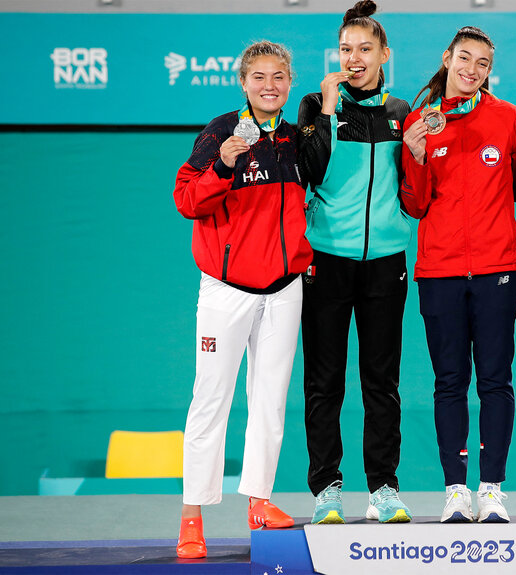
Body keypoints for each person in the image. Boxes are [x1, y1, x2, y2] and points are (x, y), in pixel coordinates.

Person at [172, 40, 312, 558]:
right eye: (259, 76)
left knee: (270, 401)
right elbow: (187, 199)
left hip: (283, 290)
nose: (269, 85)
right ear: (243, 81)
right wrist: (224, 166)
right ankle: (192, 515)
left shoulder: (297, 140)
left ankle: (259, 499)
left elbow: (313, 203)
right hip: (226, 291)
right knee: (211, 402)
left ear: (289, 81)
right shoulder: (220, 131)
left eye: (278, 76)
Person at [400, 25, 516, 524]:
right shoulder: (420, 122)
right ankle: (456, 490)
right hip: (439, 271)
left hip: (498, 269)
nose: (472, 70)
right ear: (447, 58)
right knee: (449, 381)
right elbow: (415, 205)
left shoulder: (508, 118)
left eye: (483, 64)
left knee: (496, 381)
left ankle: (491, 489)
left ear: (489, 72)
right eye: (465, 59)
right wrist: (415, 154)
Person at [296, 0, 412, 524]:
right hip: (326, 261)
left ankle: (383, 488)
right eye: (346, 50)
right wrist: (326, 108)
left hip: (386, 262)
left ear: (384, 53)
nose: (355, 58)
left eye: (365, 49)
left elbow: (414, 189)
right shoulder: (314, 106)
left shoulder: (401, 112)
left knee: (381, 383)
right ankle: (326, 490)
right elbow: (310, 171)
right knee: (324, 382)